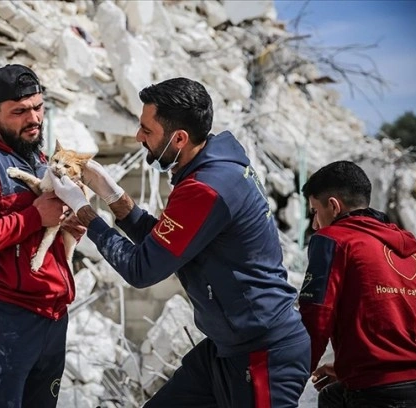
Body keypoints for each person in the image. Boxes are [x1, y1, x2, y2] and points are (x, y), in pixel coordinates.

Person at [48, 77, 311, 407]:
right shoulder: (209, 169)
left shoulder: (207, 187)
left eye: (147, 130)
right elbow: (164, 244)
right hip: (226, 349)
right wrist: (110, 193)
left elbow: (142, 269)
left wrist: (86, 213)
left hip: (263, 354)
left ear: (179, 138)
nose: (138, 137)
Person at [0, 64, 84, 408]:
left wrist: (69, 227)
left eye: (38, 107)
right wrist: (35, 216)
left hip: (53, 316)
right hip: (6, 317)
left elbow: (40, 234)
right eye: (20, 111)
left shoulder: (41, 160)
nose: (33, 118)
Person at [299, 160, 416, 408]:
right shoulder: (412, 252)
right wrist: (348, 367)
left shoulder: (333, 240)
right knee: (330, 396)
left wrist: (288, 377)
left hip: (378, 392)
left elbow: (316, 319)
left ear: (333, 206)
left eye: (314, 212)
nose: (314, 224)